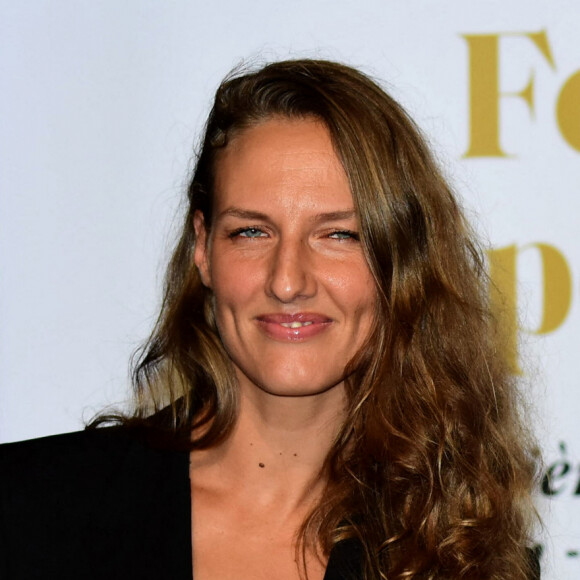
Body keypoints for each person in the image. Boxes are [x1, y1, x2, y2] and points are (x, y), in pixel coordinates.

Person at [0, 59, 539, 580]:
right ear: (203, 249)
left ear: (400, 262)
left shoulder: (462, 555)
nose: (288, 281)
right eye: (251, 232)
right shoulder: (27, 508)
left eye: (338, 235)